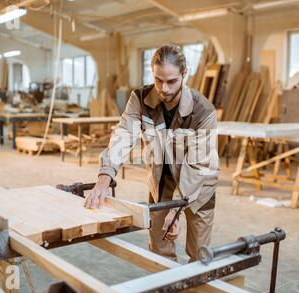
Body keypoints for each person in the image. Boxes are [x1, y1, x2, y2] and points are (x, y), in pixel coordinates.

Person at [84, 45, 219, 262]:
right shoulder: (140, 99)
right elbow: (124, 134)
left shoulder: (203, 110)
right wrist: (104, 176)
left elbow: (197, 166)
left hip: (199, 183)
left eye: (172, 81)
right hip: (162, 180)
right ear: (152, 73)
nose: (164, 88)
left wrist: (175, 209)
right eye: (158, 80)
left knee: (199, 255)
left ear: (185, 74)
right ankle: (166, 290)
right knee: (159, 248)